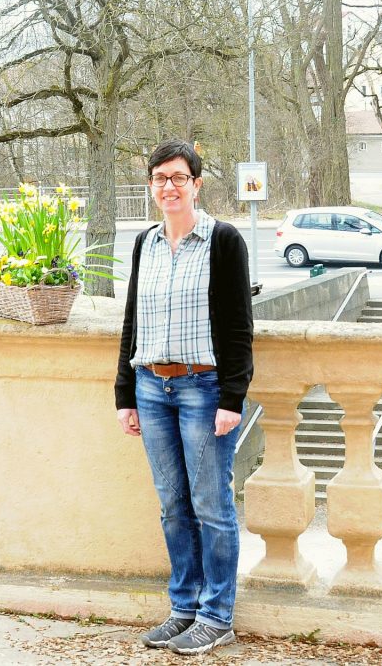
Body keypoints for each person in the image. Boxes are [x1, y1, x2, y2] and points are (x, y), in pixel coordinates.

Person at [114, 139, 254, 655]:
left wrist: (232, 399)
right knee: (173, 505)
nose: (168, 187)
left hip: (203, 388)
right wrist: (125, 394)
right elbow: (132, 322)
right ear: (151, 187)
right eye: (159, 178)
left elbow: (240, 328)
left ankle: (217, 615)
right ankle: (184, 608)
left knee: (211, 504)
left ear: (196, 184)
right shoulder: (144, 244)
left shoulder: (223, 241)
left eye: (178, 178)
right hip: (152, 387)